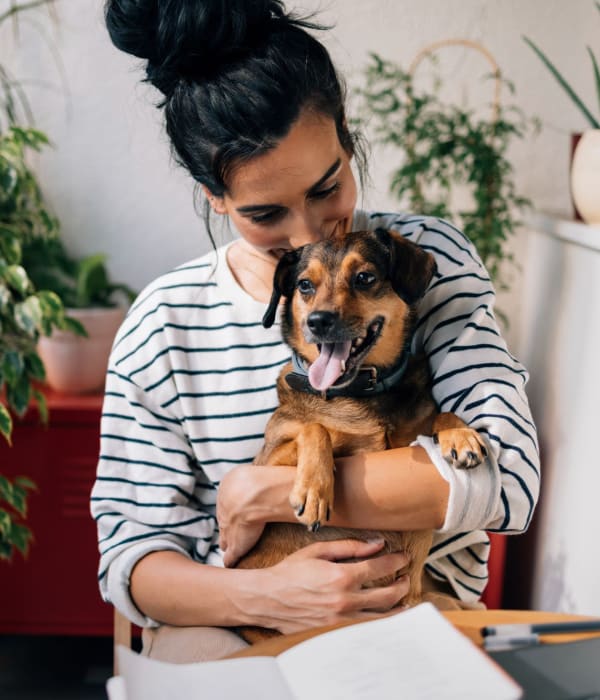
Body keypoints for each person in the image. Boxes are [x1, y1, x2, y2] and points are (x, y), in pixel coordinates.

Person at [91, 0, 540, 663]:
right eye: (266, 212)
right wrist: (268, 598)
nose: (311, 235)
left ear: (347, 137)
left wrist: (262, 490)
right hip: (232, 620)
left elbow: (509, 481)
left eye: (328, 187)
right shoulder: (163, 324)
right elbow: (132, 562)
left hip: (412, 605)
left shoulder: (422, 263)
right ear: (213, 194)